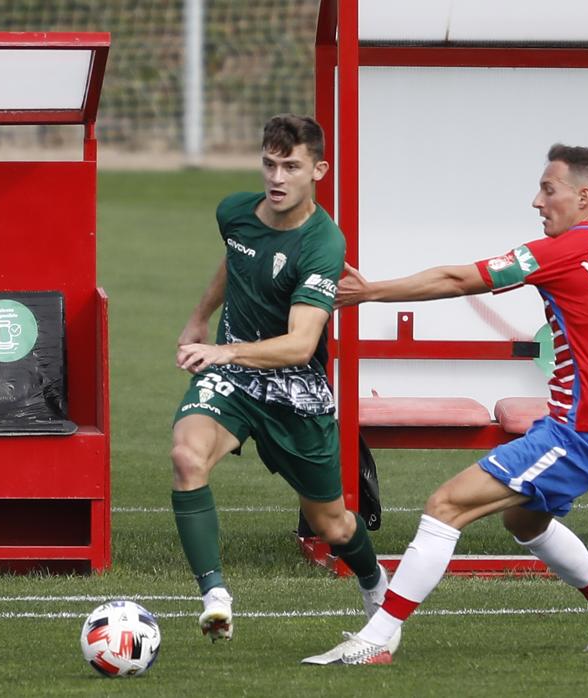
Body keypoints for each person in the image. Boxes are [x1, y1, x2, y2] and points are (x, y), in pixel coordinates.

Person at [302, 144, 588, 665]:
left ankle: (379, 636)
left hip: (577, 433)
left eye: (548, 190)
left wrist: (371, 292)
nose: (537, 201)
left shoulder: (562, 251)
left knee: (445, 507)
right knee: (525, 521)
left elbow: (461, 279)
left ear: (584, 196)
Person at [172, 114, 394, 646]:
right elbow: (237, 259)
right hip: (233, 381)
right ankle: (215, 598)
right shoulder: (234, 212)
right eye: (269, 164)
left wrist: (222, 348)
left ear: (317, 169)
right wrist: (201, 316)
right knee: (186, 457)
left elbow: (300, 343)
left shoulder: (323, 244)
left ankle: (376, 588)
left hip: (295, 391)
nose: (277, 177)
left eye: (291, 166)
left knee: (333, 525)